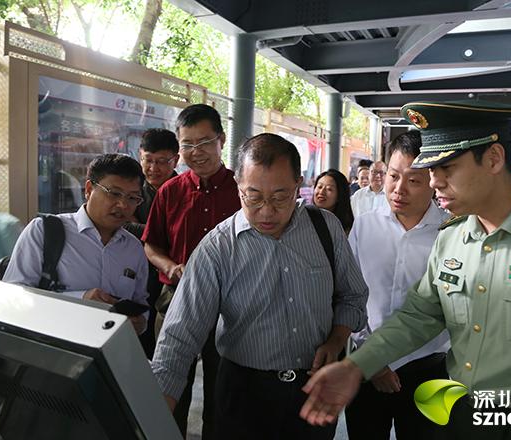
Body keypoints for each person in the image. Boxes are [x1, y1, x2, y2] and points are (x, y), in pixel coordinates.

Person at [301, 100, 511, 440]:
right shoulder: (453, 237)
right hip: (461, 421)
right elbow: (420, 315)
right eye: (431, 170)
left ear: (494, 159)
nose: (434, 182)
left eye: (446, 167)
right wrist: (356, 366)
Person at [151, 133, 368, 440]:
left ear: (298, 184)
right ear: (238, 184)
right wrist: (155, 414)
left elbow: (353, 296)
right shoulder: (218, 248)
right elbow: (179, 335)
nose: (266, 211)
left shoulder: (325, 229)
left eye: (280, 197)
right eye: (253, 197)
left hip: (314, 389)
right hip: (243, 394)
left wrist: (336, 341)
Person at [142, 104, 240, 439]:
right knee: (168, 391)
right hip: (175, 300)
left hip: (231, 305)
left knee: (221, 393)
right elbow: (151, 245)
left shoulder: (242, 190)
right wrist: (170, 266)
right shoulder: (170, 191)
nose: (196, 152)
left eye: (204, 142)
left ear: (221, 140)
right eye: (187, 145)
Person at [345, 130, 450, 440]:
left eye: (413, 180)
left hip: (429, 368)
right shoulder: (365, 225)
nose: (398, 189)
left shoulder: (449, 234)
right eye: (393, 176)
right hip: (366, 364)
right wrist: (372, 358)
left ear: (433, 182)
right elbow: (349, 294)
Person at [3, 153, 149, 335]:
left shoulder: (134, 248)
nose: (123, 205)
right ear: (88, 189)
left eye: (132, 198)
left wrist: (141, 323)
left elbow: (140, 301)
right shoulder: (44, 231)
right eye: (114, 193)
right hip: (54, 344)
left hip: (111, 347)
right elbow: (13, 296)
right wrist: (80, 300)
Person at [124, 128, 179, 359]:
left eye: (162, 161)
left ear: (176, 159)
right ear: (140, 156)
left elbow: (178, 236)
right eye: (148, 160)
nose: (154, 168)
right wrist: (156, 232)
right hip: (138, 274)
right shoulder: (132, 187)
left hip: (172, 278)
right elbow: (120, 224)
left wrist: (139, 226)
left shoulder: (184, 190)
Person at [313, 169, 354, 233]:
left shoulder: (348, 229)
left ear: (340, 195)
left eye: (329, 189)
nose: (321, 192)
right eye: (319, 187)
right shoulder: (304, 217)